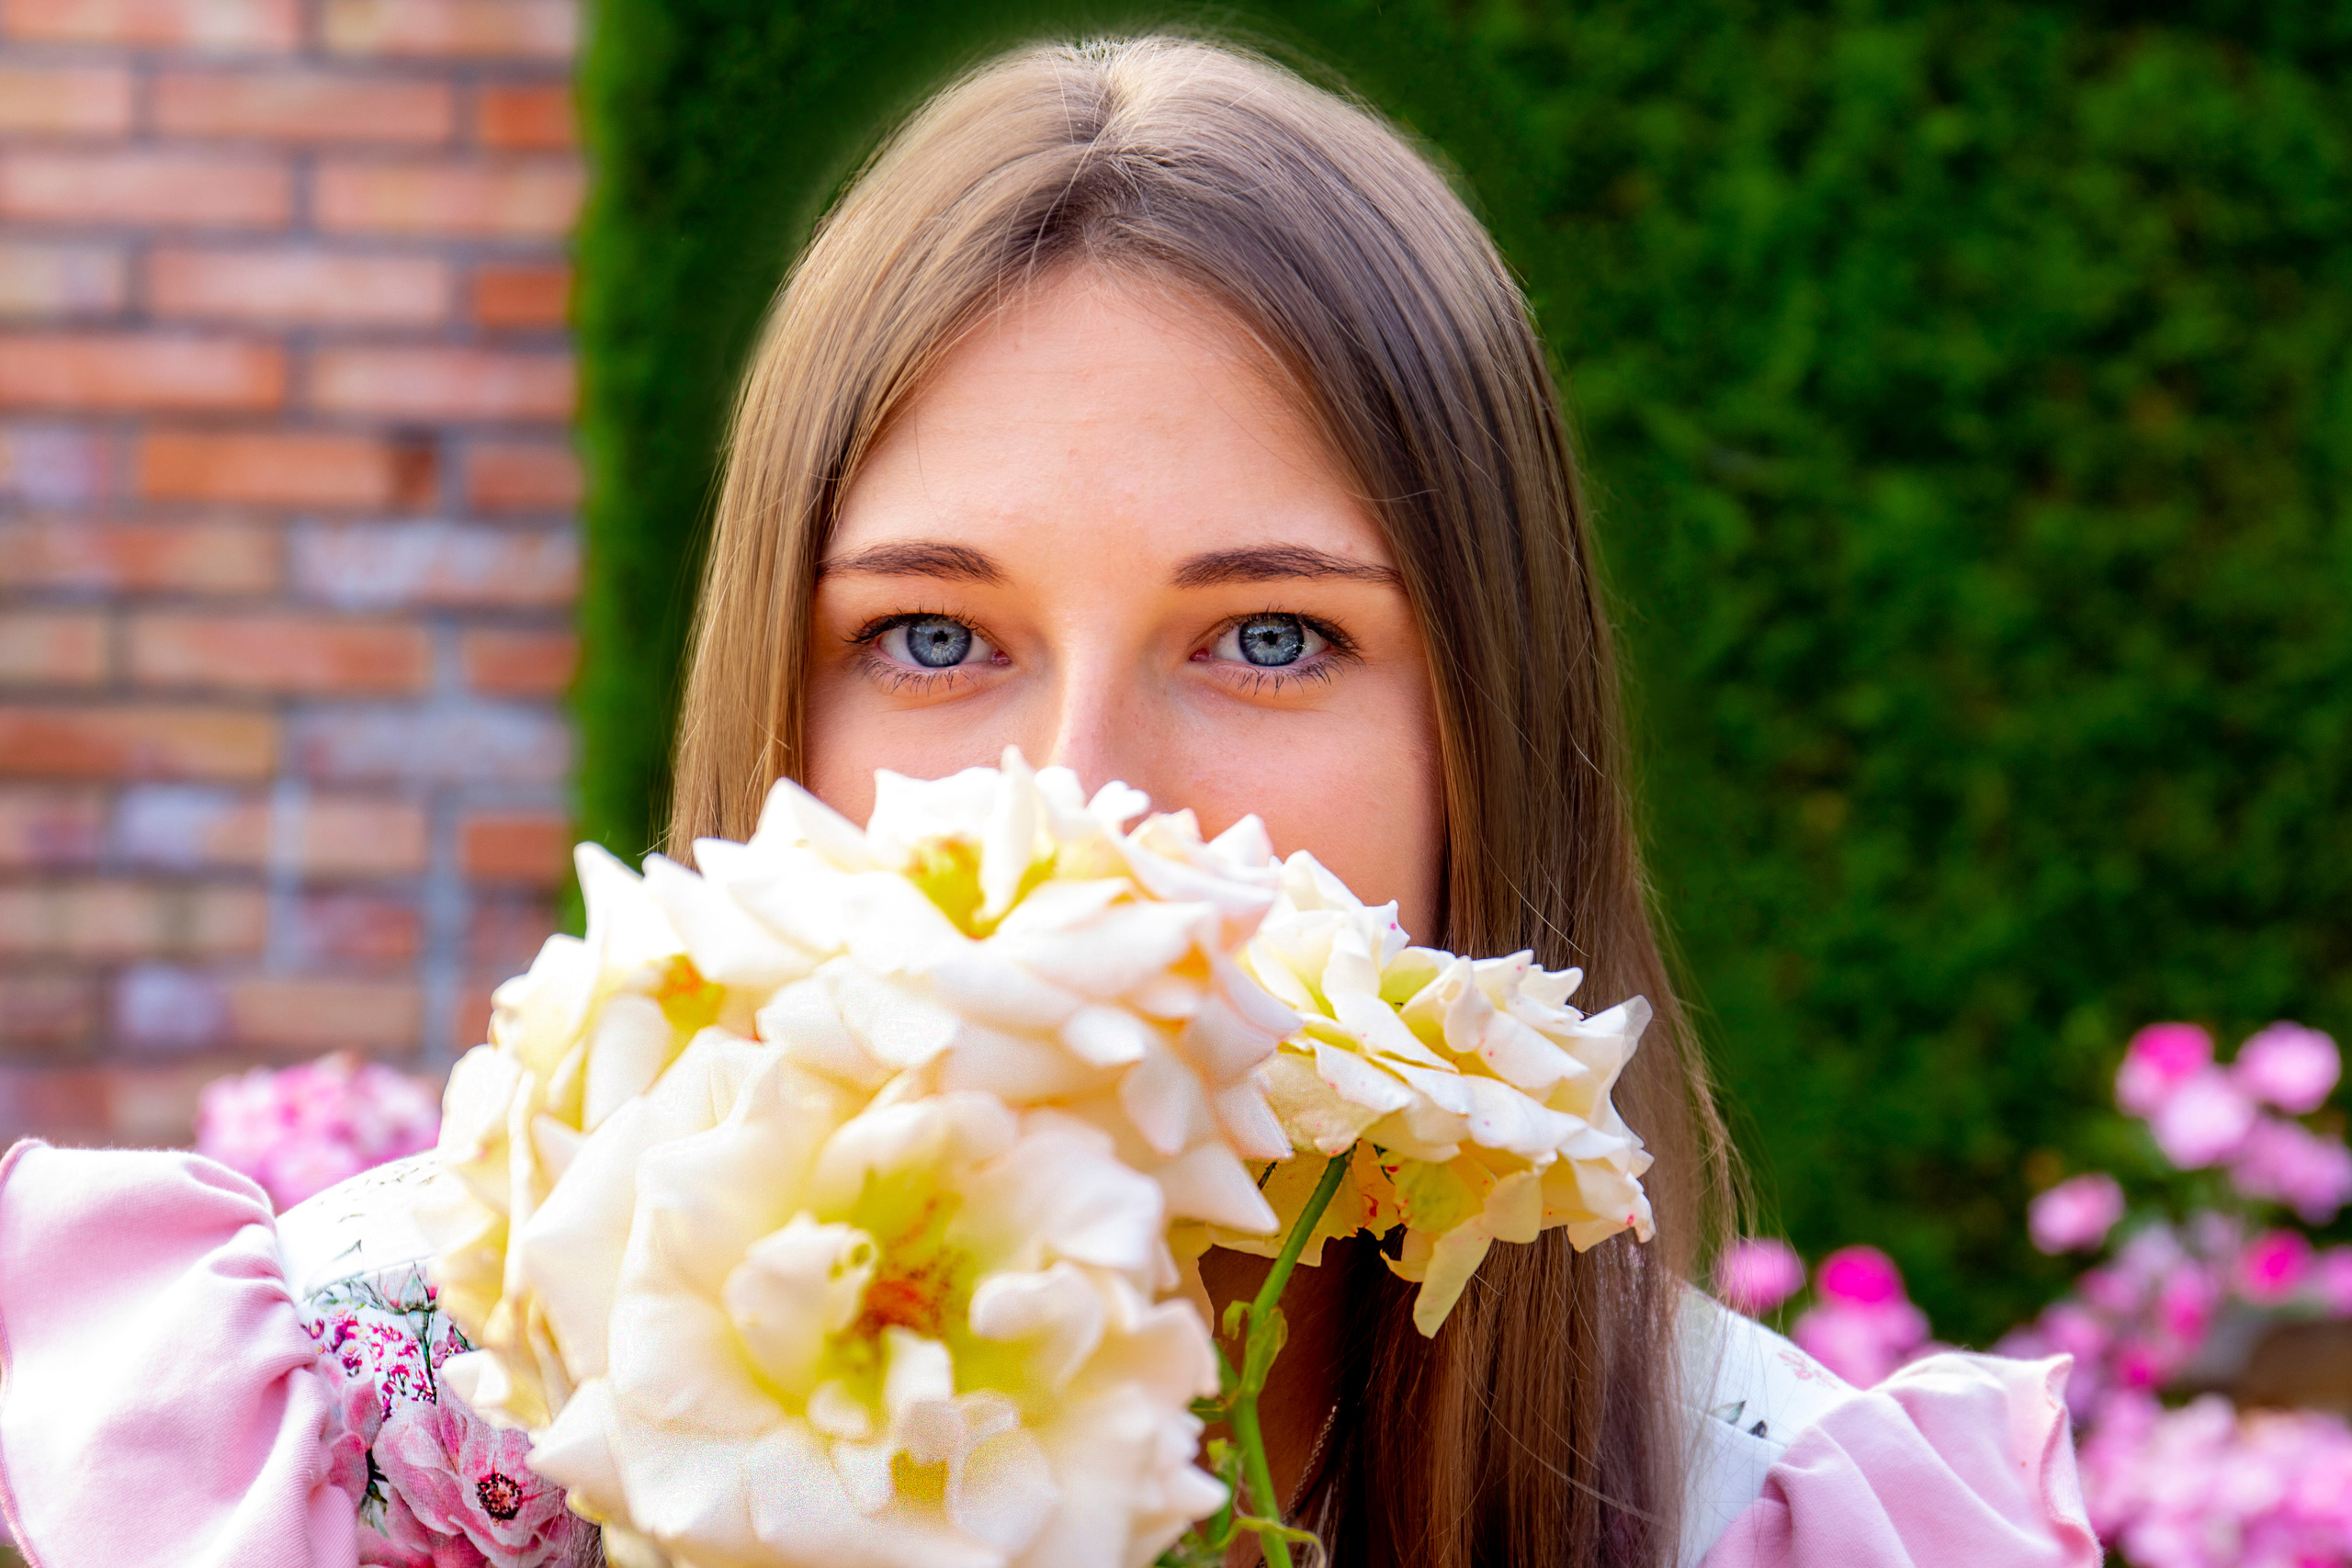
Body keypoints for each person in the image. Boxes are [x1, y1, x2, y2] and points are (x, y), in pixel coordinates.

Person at [0, 35, 2098, 1568]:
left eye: (1267, 637)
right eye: (933, 636)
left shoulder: (1768, 1514)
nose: (1078, 802)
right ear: (773, 723)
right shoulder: (340, 1449)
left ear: (1486, 729)